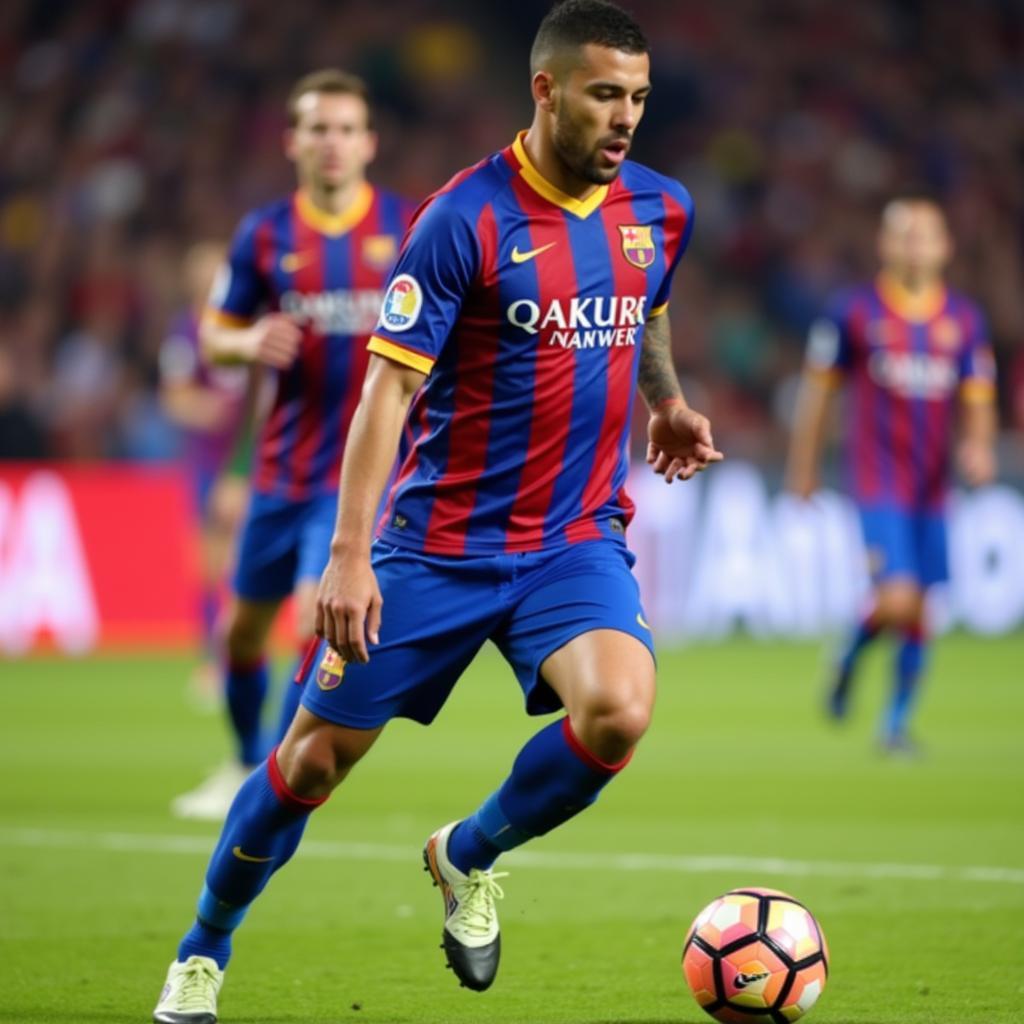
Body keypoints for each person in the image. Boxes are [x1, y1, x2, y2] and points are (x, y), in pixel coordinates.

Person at [153, 2, 722, 1019]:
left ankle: (468, 853)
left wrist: (666, 399)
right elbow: (386, 392)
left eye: (636, 97)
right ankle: (204, 944)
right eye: (604, 95)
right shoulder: (463, 218)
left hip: (572, 539)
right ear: (545, 90)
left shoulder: (659, 207)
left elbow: (651, 300)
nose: (625, 117)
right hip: (438, 546)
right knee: (309, 760)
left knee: (619, 711)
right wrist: (347, 556)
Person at [169, 69, 415, 820]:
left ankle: (267, 785)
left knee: (316, 622)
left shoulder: (407, 228)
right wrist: (248, 341)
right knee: (244, 633)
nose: (332, 142)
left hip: (359, 483)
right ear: (293, 141)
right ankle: (246, 757)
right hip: (280, 474)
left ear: (368, 142)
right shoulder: (265, 234)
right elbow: (214, 332)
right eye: (318, 128)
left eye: (346, 128)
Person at [786, 191, 997, 752]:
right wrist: (803, 466)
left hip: (933, 483)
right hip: (878, 479)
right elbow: (818, 395)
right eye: (903, 233)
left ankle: (896, 723)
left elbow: (978, 398)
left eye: (925, 234)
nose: (914, 244)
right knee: (901, 597)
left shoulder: (964, 320)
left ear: (946, 247)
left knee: (922, 604)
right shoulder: (854, 312)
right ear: (882, 244)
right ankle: (852, 655)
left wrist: (978, 447)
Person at [158, 241, 253, 711]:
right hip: (205, 463)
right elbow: (175, 397)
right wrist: (202, 407)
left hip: (250, 461)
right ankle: (214, 661)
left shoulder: (250, 326)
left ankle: (243, 661)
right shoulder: (185, 333)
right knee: (209, 567)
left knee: (245, 563)